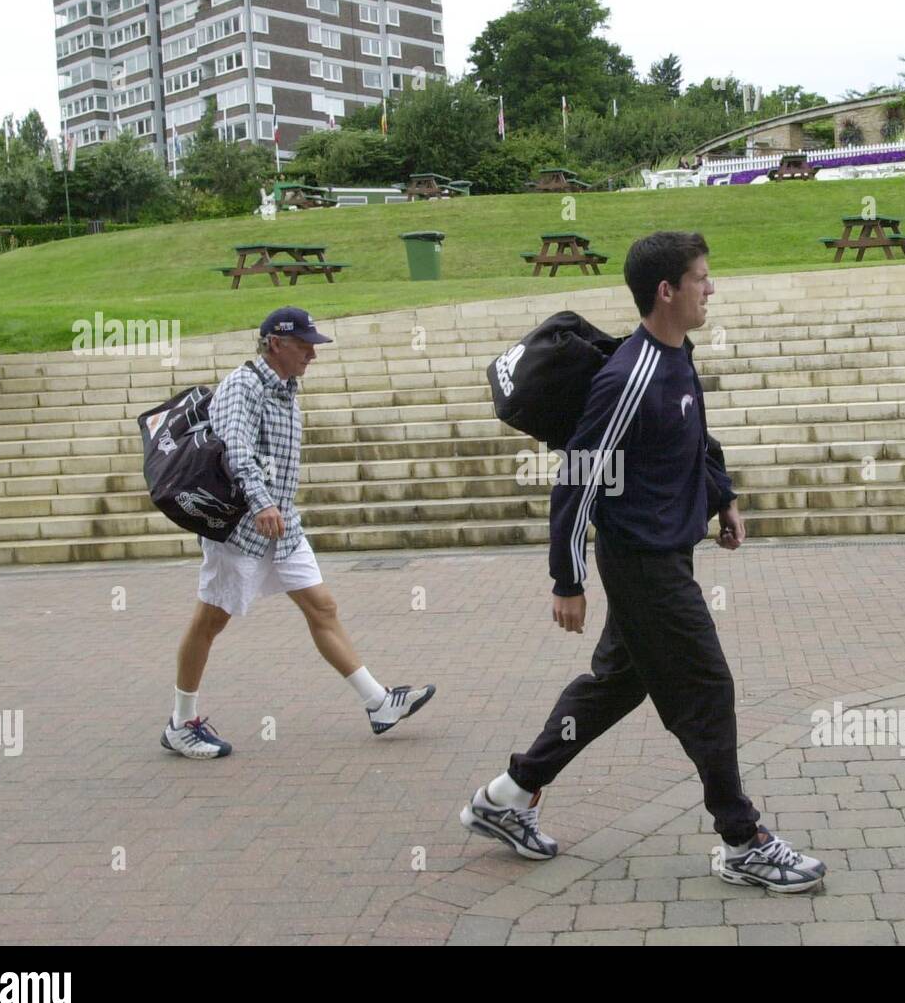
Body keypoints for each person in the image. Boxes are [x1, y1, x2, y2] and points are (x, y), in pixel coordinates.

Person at [460, 233, 826, 892]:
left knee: (615, 685)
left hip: (668, 551)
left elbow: (695, 434)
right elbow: (578, 476)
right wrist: (567, 579)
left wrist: (723, 497)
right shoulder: (627, 377)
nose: (710, 288)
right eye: (701, 279)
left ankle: (509, 792)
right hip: (642, 562)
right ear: (668, 290)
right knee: (707, 687)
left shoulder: (675, 355)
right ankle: (742, 838)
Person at [162, 307, 436, 759]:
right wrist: (261, 500)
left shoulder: (287, 388)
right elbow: (236, 448)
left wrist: (276, 506)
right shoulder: (242, 385)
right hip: (242, 527)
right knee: (210, 622)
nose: (312, 352)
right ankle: (179, 723)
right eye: (304, 344)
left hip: (282, 524)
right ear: (274, 343)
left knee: (322, 607)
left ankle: (378, 702)